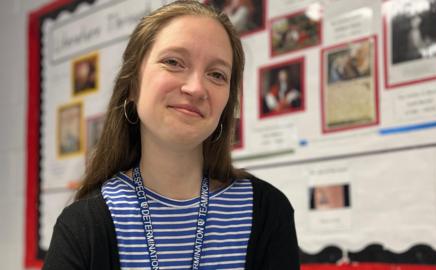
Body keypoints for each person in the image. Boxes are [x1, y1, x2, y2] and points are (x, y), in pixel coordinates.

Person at [43, 1, 300, 270]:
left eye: (216, 74)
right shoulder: (83, 225)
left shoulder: (268, 212)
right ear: (132, 85)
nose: (196, 88)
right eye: (173, 62)